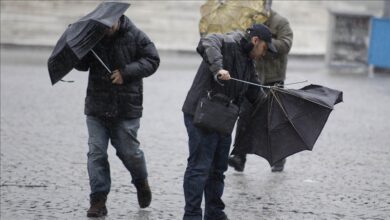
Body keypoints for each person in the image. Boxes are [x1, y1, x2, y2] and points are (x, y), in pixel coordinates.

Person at [181, 24, 275, 220]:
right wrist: (218, 68)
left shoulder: (249, 64)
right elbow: (208, 41)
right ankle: (191, 215)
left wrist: (275, 100)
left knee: (218, 169)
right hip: (201, 113)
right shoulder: (229, 41)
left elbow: (256, 95)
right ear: (255, 41)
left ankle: (214, 214)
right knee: (200, 167)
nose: (264, 54)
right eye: (265, 48)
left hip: (223, 119)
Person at [74, 15, 160, 217]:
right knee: (96, 153)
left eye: (110, 24)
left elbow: (153, 60)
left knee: (129, 152)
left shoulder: (136, 35)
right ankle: (98, 200)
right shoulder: (93, 37)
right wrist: (79, 50)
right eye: (103, 25)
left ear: (118, 19)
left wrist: (126, 73)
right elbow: (82, 65)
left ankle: (141, 181)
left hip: (126, 107)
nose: (107, 28)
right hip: (97, 105)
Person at [228, 8, 293, 173]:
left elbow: (286, 44)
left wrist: (267, 43)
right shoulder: (251, 21)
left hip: (273, 78)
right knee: (244, 116)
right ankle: (239, 156)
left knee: (274, 118)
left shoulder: (281, 22)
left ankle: (279, 158)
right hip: (253, 77)